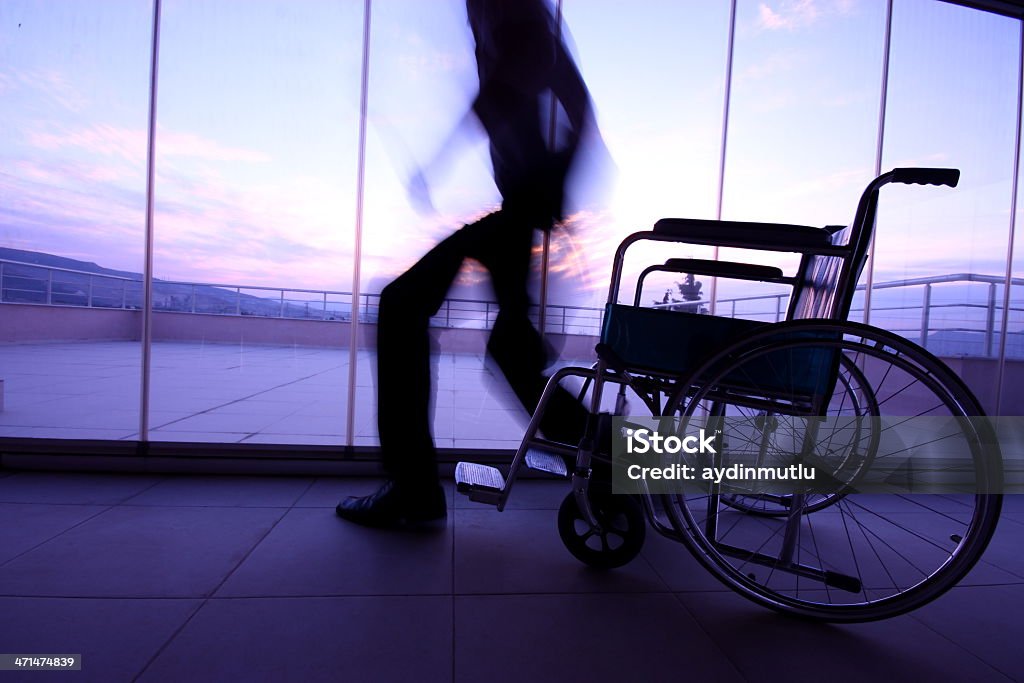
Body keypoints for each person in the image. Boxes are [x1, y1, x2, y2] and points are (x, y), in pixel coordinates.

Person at [337, 0, 602, 528]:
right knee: (513, 352)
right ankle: (622, 463)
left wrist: (443, 156)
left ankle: (413, 489)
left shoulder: (506, 5)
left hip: (525, 208)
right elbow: (561, 95)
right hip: (524, 208)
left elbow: (524, 72)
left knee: (402, 304)